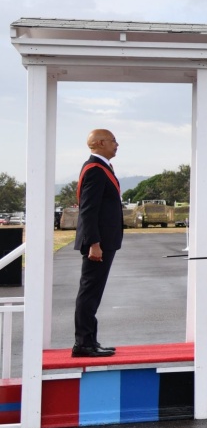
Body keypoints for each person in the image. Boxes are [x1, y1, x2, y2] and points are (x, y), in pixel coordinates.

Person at [72, 128, 123, 357]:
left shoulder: (103, 167)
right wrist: (94, 242)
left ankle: (90, 341)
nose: (117, 144)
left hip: (104, 241)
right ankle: (83, 344)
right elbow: (88, 210)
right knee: (89, 293)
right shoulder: (94, 169)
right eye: (113, 140)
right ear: (100, 143)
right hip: (98, 242)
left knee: (93, 293)